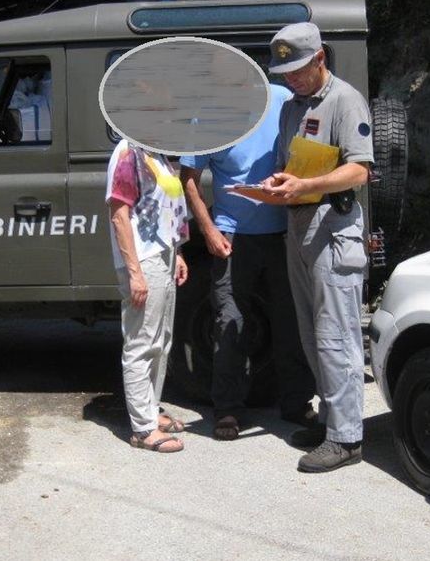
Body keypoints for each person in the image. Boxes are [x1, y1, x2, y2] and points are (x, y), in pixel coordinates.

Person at [261, 22, 374, 473]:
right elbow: (288, 165)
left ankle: (347, 438)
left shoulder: (345, 100)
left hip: (333, 226)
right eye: (284, 72)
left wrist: (306, 185)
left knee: (336, 335)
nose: (290, 79)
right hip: (300, 225)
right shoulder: (292, 108)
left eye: (297, 70)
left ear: (320, 59)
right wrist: (275, 184)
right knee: (311, 332)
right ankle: (331, 419)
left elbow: (360, 170)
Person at [180, 83, 318, 441]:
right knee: (229, 322)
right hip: (232, 235)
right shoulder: (208, 115)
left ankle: (297, 402)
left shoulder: (283, 99)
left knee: (291, 321)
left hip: (284, 232)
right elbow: (189, 180)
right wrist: (208, 230)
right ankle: (227, 408)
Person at [106, 138, 191, 453]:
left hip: (163, 254)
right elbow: (119, 214)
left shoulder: (155, 153)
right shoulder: (128, 152)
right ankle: (143, 429)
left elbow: (165, 208)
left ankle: (151, 411)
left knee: (161, 341)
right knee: (142, 343)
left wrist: (177, 253)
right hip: (143, 259)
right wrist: (134, 272)